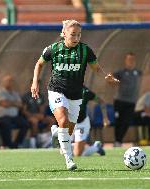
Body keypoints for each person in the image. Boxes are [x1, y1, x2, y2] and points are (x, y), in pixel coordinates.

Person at [31, 19, 118, 170]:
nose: (76, 38)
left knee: (69, 129)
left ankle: (57, 133)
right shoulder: (53, 49)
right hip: (56, 89)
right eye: (73, 35)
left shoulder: (85, 50)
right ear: (64, 34)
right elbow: (39, 63)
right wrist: (35, 82)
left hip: (76, 94)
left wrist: (105, 76)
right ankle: (69, 159)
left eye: (79, 35)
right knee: (63, 121)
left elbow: (96, 68)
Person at [51, 86, 106, 157]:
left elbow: (101, 102)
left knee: (77, 154)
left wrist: (105, 118)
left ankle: (96, 148)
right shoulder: (64, 90)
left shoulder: (86, 92)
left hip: (81, 124)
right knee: (63, 152)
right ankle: (93, 147)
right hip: (69, 123)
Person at [0, 74, 29, 149]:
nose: (9, 82)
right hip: (3, 116)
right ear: (4, 82)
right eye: (7, 81)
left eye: (11, 81)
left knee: (25, 124)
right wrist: (14, 103)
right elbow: (4, 104)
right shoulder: (0, 92)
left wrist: (10, 102)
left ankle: (17, 143)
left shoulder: (15, 93)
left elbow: (20, 105)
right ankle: (8, 144)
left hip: (14, 116)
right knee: (6, 124)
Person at [22, 80, 54, 148]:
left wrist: (41, 115)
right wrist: (32, 115)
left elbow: (42, 109)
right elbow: (24, 111)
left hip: (38, 116)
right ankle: (33, 143)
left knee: (51, 120)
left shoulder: (41, 96)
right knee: (34, 121)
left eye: (38, 85)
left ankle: (44, 140)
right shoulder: (26, 96)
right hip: (29, 117)